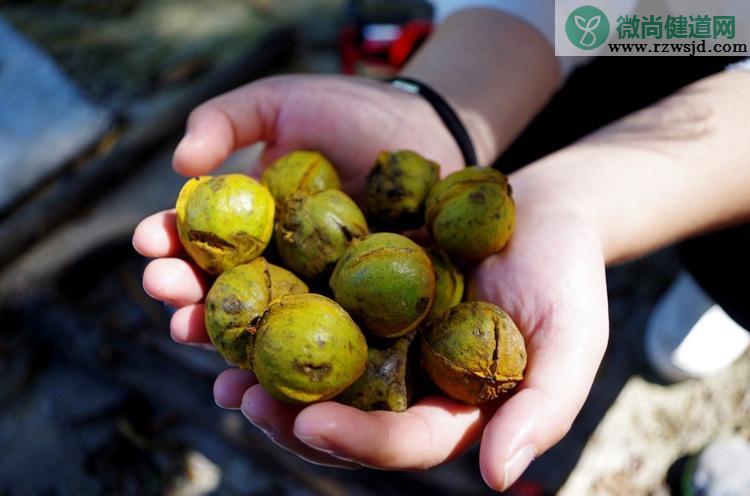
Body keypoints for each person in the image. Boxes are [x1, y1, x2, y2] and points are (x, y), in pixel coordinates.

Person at [131, 3, 750, 491]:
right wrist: (441, 106)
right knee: (582, 100)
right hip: (636, 50)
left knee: (731, 266)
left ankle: (714, 297)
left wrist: (575, 209)